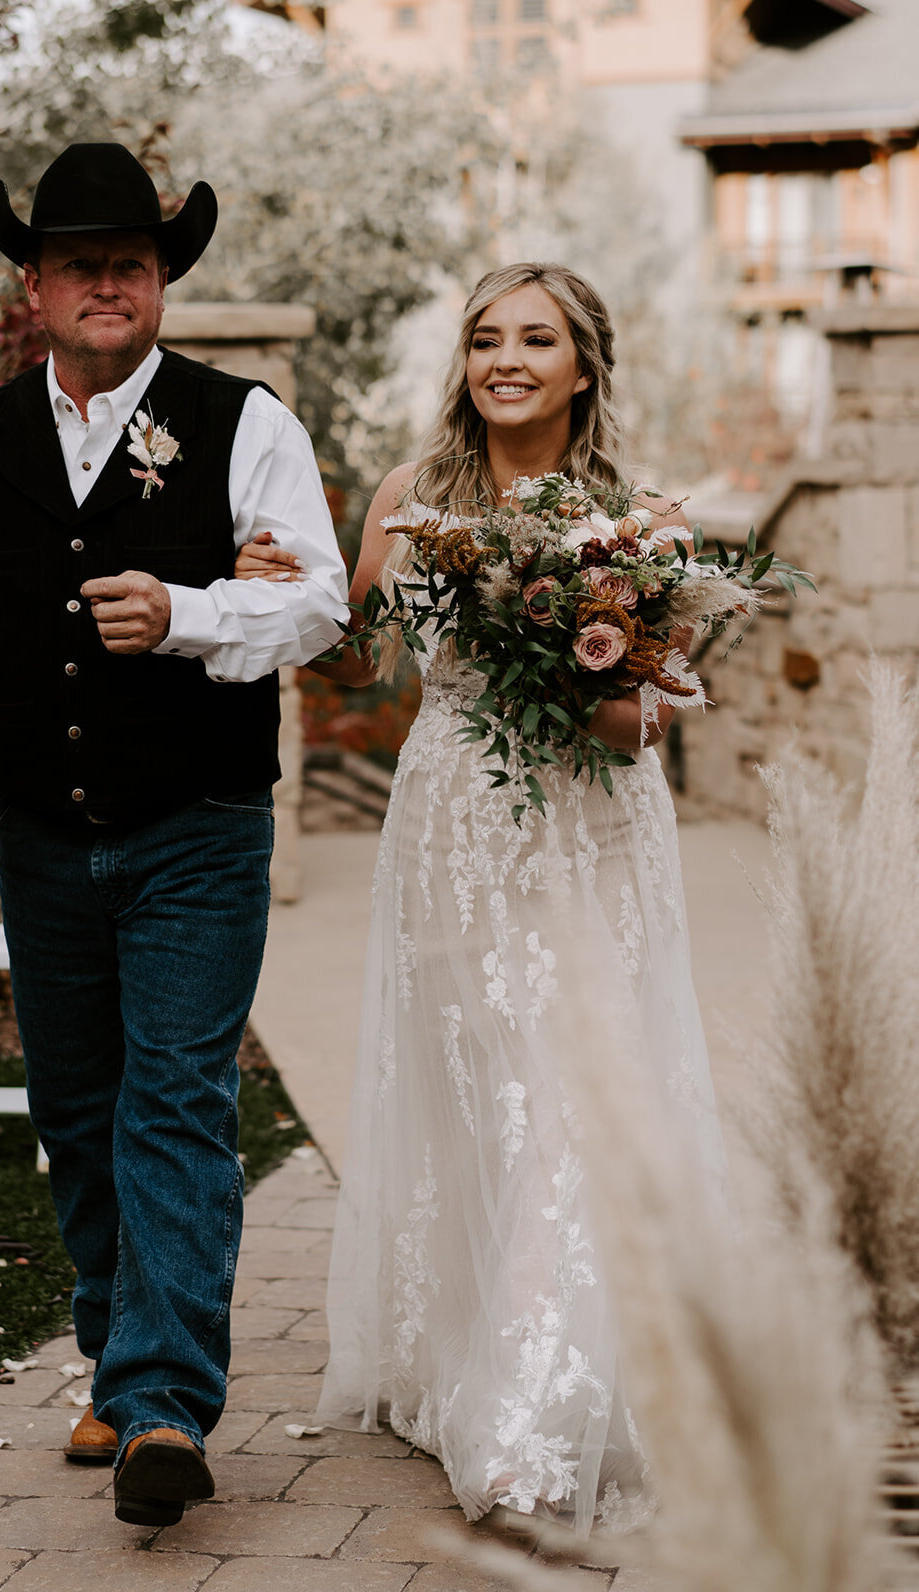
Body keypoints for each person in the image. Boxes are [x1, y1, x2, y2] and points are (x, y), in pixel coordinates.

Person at [0, 142, 349, 1528]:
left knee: (176, 1102)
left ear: (162, 279)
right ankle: (113, 1351)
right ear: (35, 285)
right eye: (82, 263)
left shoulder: (241, 422)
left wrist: (191, 616)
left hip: (199, 825)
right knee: (77, 1114)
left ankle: (159, 1406)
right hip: (53, 841)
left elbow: (317, 603)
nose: (109, 284)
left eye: (132, 262)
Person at [236, 262, 724, 1533]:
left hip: (591, 834)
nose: (505, 358)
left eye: (535, 339)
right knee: (477, 1095)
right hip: (451, 823)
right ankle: (462, 1359)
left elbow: (630, 732)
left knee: (568, 1096)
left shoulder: (645, 523)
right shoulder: (410, 498)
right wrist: (263, 567)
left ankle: (524, 1423)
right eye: (485, 338)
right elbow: (336, 644)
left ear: (583, 364)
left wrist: (548, 624)